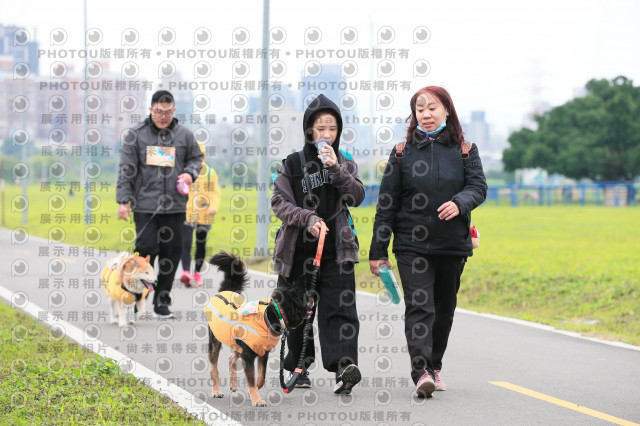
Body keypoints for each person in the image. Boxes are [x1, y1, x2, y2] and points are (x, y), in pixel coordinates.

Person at [369, 86, 487, 398]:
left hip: (452, 244)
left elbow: (478, 187)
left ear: (447, 110)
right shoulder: (401, 152)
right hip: (411, 245)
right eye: (419, 109)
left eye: (432, 108)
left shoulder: (466, 150)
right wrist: (378, 251)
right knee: (420, 306)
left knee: (444, 310)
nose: (425, 114)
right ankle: (421, 371)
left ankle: (434, 366)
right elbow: (387, 204)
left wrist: (460, 203)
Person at [271, 94, 364, 394]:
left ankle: (344, 368)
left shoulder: (345, 161)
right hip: (298, 248)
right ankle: (299, 365)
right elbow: (279, 203)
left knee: (340, 307)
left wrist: (336, 169)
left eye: (332, 129)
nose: (326, 134)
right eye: (320, 128)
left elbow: (356, 196)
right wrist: (307, 218)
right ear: (309, 130)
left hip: (337, 247)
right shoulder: (292, 163)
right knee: (297, 308)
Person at [116, 90, 203, 318]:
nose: (162, 116)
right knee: (145, 249)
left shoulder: (184, 135)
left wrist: (189, 174)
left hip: (175, 206)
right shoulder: (136, 135)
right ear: (150, 110)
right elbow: (126, 169)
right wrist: (123, 201)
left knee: (171, 254)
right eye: (158, 112)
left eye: (167, 112)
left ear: (174, 110)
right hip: (145, 205)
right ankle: (136, 298)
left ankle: (161, 302)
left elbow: (196, 159)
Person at [180, 142, 222, 287]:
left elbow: (215, 193)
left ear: (203, 156)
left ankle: (197, 274)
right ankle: (186, 272)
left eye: (200, 155)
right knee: (186, 243)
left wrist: (213, 207)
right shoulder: (184, 171)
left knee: (201, 245)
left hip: (205, 214)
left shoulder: (210, 173)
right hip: (187, 213)